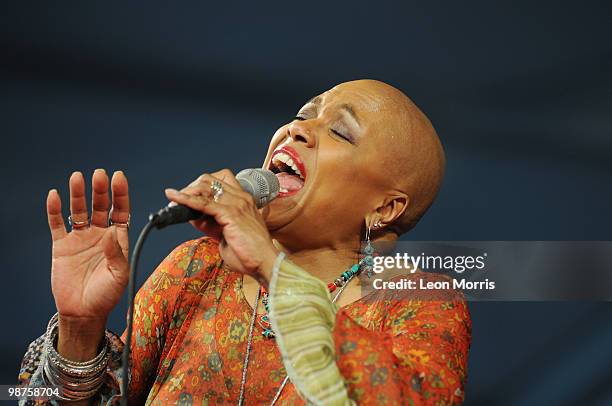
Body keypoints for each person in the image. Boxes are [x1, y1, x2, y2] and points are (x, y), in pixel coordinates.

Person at [18, 79, 471, 405]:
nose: (296, 130)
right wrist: (80, 326)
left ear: (385, 208)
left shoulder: (419, 303)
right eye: (302, 116)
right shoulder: (196, 268)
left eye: (339, 132)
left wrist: (274, 269)